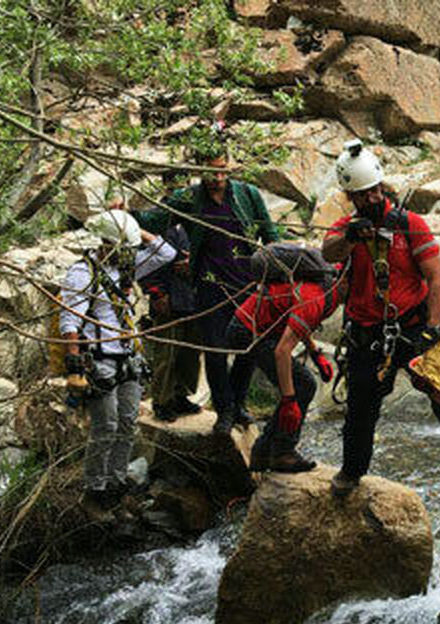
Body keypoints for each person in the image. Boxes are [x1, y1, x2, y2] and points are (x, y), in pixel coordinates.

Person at [320, 139, 440, 519]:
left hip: (412, 327)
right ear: (350, 197)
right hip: (367, 332)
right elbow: (329, 252)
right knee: (361, 410)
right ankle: (352, 471)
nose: (372, 198)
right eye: (363, 195)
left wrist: (432, 326)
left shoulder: (410, 225)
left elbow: (436, 278)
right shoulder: (347, 228)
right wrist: (351, 237)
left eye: (375, 190)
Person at [134, 143, 281, 436]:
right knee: (214, 352)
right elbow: (155, 220)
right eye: (210, 171)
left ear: (228, 164)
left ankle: (239, 404)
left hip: (247, 285)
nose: (217, 177)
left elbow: (270, 233)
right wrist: (125, 213)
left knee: (247, 350)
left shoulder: (247, 195)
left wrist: (278, 269)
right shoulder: (188, 199)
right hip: (209, 287)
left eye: (221, 169)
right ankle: (224, 411)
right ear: (199, 171)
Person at [61, 210, 177, 514]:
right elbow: (70, 321)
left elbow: (166, 252)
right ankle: (95, 485)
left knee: (127, 422)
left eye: (129, 249)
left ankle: (115, 479)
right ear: (105, 243)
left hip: (130, 356)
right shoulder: (82, 273)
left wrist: (133, 228)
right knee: (106, 425)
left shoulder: (126, 269)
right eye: (122, 247)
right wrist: (73, 366)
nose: (128, 254)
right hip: (100, 358)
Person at [225, 244, 342, 473]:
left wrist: (315, 353)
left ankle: (263, 452)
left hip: (256, 326)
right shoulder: (318, 296)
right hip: (248, 330)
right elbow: (282, 351)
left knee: (301, 385)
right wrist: (289, 401)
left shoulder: (327, 288)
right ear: (346, 282)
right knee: (303, 385)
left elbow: (296, 318)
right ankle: (282, 453)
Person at [138, 224, 203, 422]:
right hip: (167, 298)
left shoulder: (197, 219)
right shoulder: (156, 220)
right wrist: (156, 293)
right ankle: (161, 401)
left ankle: (180, 395)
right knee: (166, 353)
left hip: (194, 298)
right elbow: (142, 263)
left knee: (190, 353)